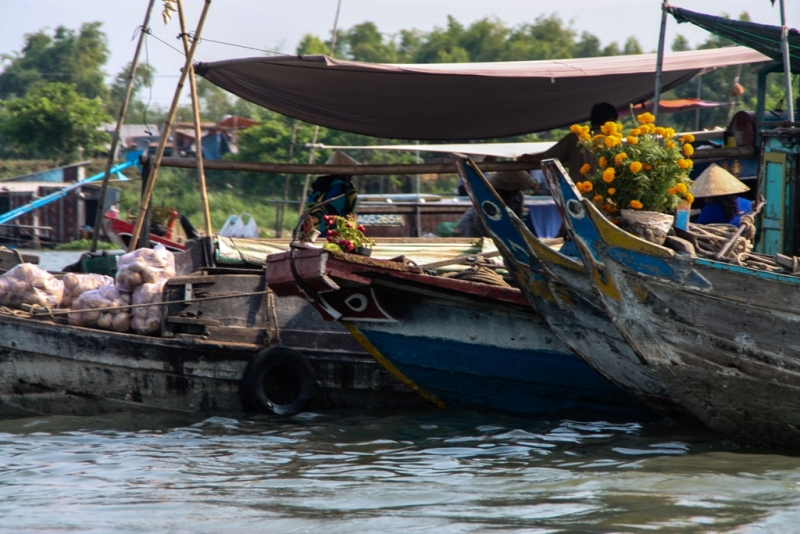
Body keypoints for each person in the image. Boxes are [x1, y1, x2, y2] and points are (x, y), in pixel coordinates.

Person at [520, 102, 619, 181]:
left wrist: (529, 158)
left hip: (580, 196)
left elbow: (546, 157)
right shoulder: (615, 142)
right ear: (611, 120)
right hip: (607, 199)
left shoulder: (574, 138)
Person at [458, 169, 536, 237]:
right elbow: (480, 223)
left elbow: (517, 220)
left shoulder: (518, 197)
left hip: (501, 230)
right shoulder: (489, 196)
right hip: (474, 228)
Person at [304, 151, 360, 234]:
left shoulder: (319, 185)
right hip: (328, 230)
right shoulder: (341, 185)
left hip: (308, 228)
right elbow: (335, 211)